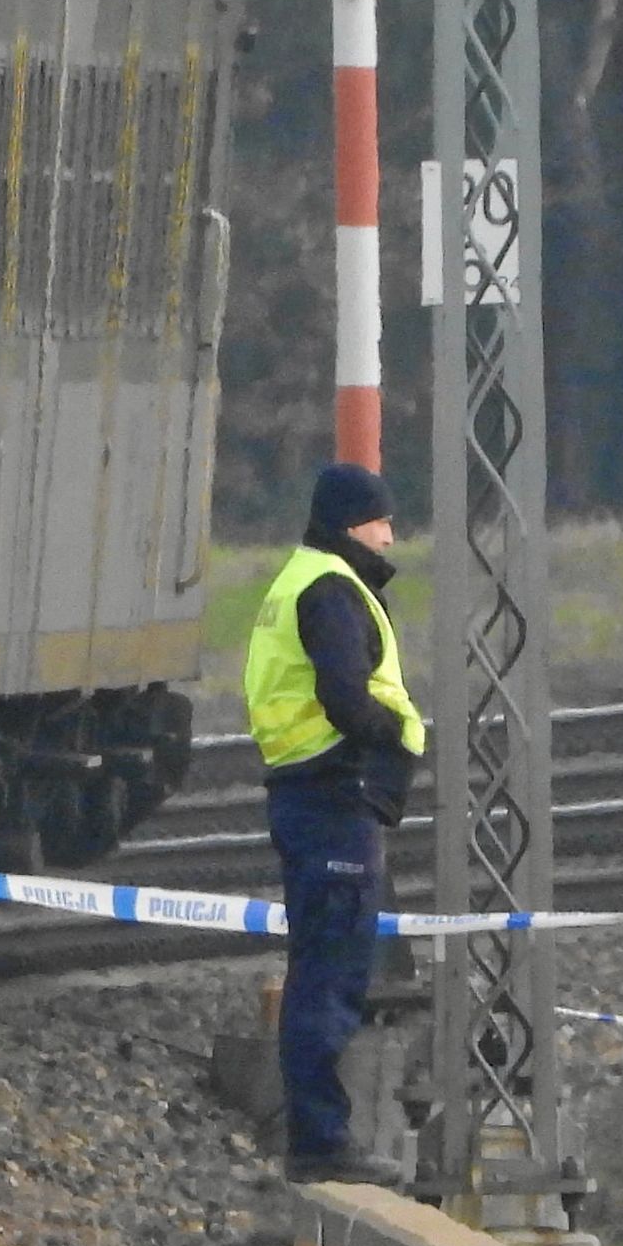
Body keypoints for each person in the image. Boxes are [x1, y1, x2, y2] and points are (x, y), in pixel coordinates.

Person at [244, 461, 429, 1184]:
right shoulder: (329, 589)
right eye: (383, 520)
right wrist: (389, 733)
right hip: (334, 792)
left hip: (309, 792)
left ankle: (320, 1135)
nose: (391, 533)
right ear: (356, 523)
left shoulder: (300, 578)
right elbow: (345, 693)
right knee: (330, 972)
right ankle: (322, 1142)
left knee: (319, 964)